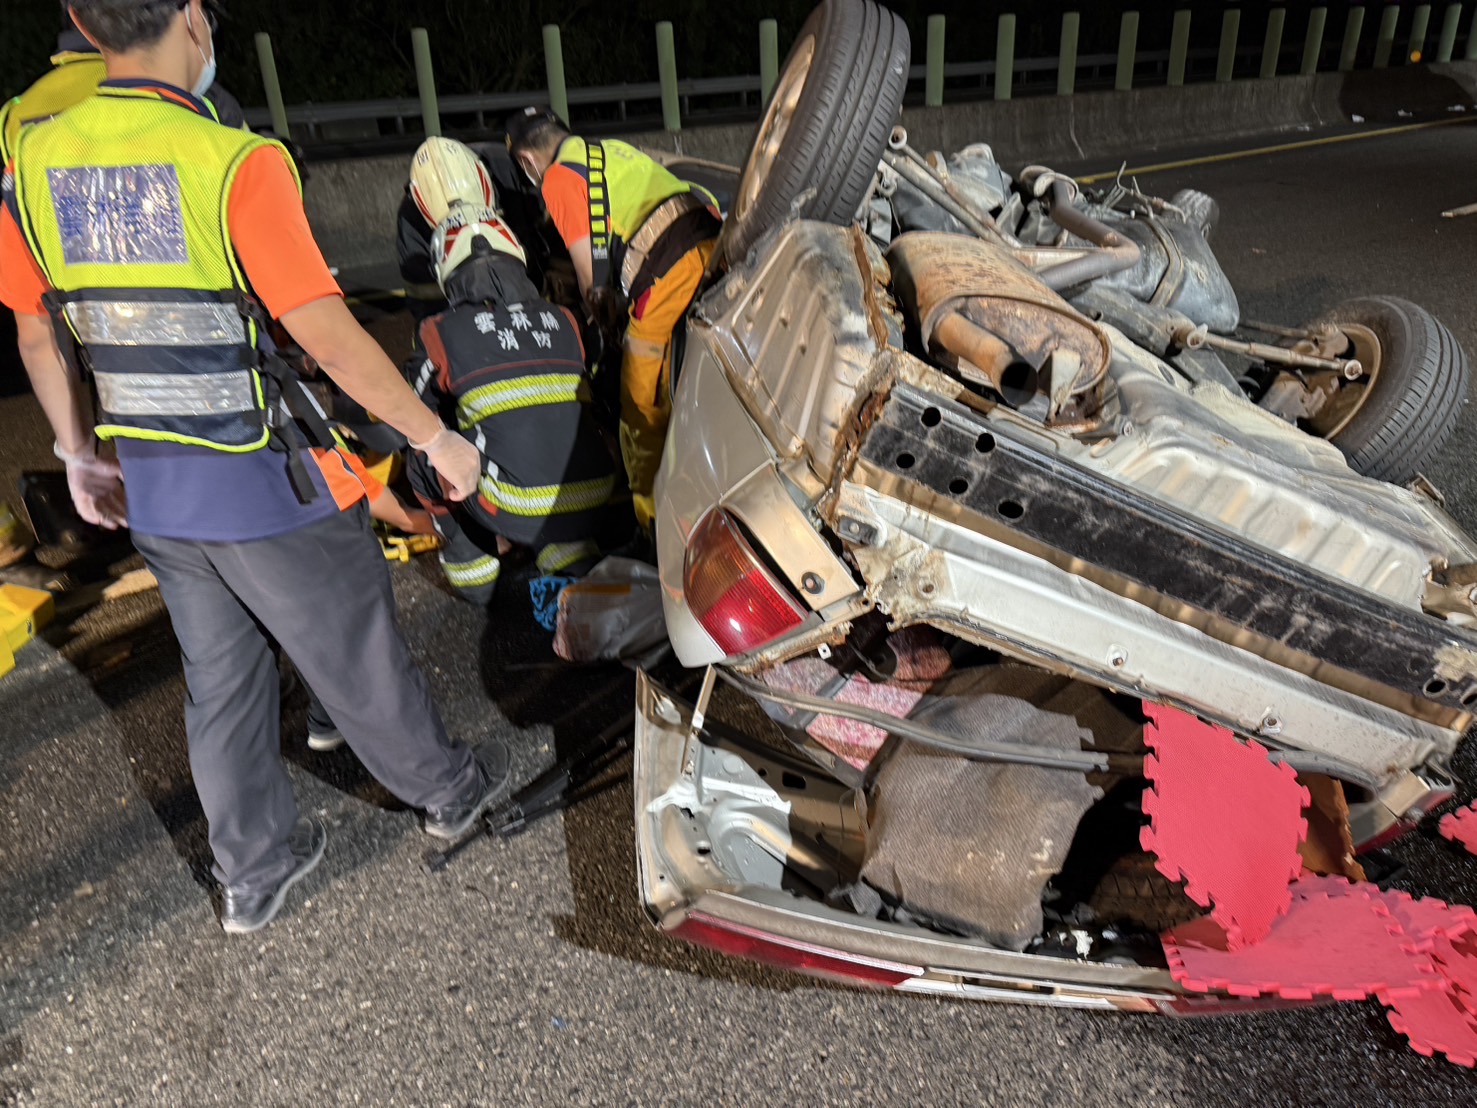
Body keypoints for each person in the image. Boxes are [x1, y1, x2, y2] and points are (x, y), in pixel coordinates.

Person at [0, 0, 508, 934]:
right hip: (268, 486)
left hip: (157, 490)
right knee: (353, 657)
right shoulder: (231, 159)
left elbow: (38, 334)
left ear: (80, 19)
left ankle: (253, 873)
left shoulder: (33, 161)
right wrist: (433, 441)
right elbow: (327, 333)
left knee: (220, 681)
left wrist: (79, 457)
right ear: (192, 16)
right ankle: (450, 793)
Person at [505, 107, 721, 530]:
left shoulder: (558, 179)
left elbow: (592, 281)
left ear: (527, 161)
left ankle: (653, 523)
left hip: (668, 274)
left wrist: (599, 323)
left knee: (639, 404)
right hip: (712, 248)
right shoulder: (610, 151)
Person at [405, 205, 616, 603]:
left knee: (424, 451)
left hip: (513, 507)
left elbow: (405, 410)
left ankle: (476, 572)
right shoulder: (566, 318)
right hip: (597, 491)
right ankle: (568, 554)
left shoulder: (440, 331)